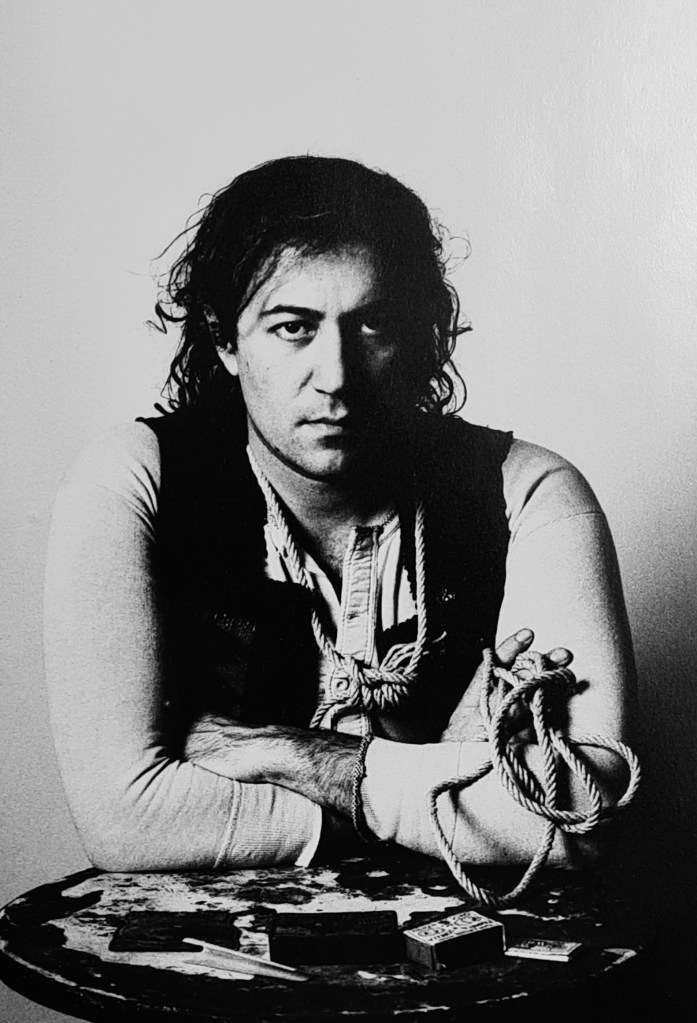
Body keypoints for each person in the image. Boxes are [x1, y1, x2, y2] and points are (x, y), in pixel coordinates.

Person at [44, 156, 636, 874]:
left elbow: (580, 820)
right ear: (224, 338)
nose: (336, 376)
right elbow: (128, 823)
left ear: (418, 335)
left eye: (373, 324)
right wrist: (453, 786)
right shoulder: (135, 478)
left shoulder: (528, 489)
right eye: (293, 327)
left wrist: (296, 756)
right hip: (207, 942)